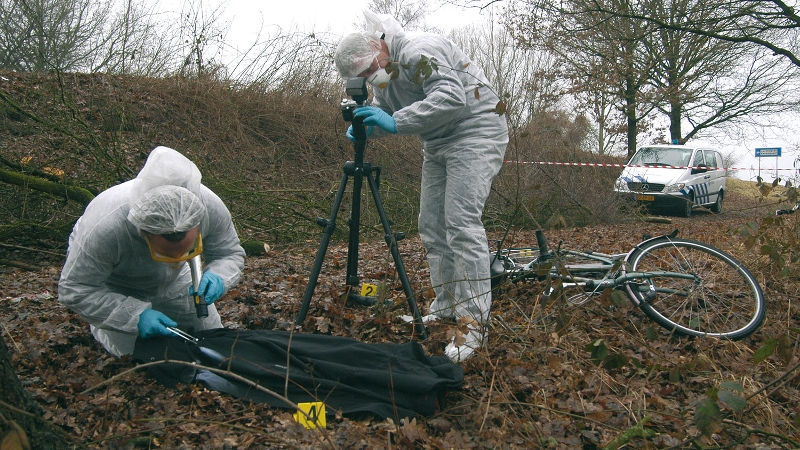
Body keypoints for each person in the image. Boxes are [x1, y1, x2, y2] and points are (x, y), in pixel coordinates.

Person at [334, 11, 509, 363]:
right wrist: (369, 127)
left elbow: (451, 98)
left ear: (377, 46)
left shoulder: (418, 51)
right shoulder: (387, 74)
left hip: (476, 131)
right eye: (364, 76)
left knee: (460, 223)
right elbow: (392, 115)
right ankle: (445, 304)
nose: (371, 77)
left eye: (370, 69)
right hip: (437, 141)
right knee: (431, 225)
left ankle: (473, 322)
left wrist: (394, 121)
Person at [58, 146, 246, 357]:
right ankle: (105, 331)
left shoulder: (208, 207)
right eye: (167, 255)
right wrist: (135, 316)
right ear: (144, 234)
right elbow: (75, 288)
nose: (176, 260)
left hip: (178, 283)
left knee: (213, 343)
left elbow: (229, 252)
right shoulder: (105, 229)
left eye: (186, 253)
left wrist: (219, 275)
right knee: (143, 359)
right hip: (119, 286)